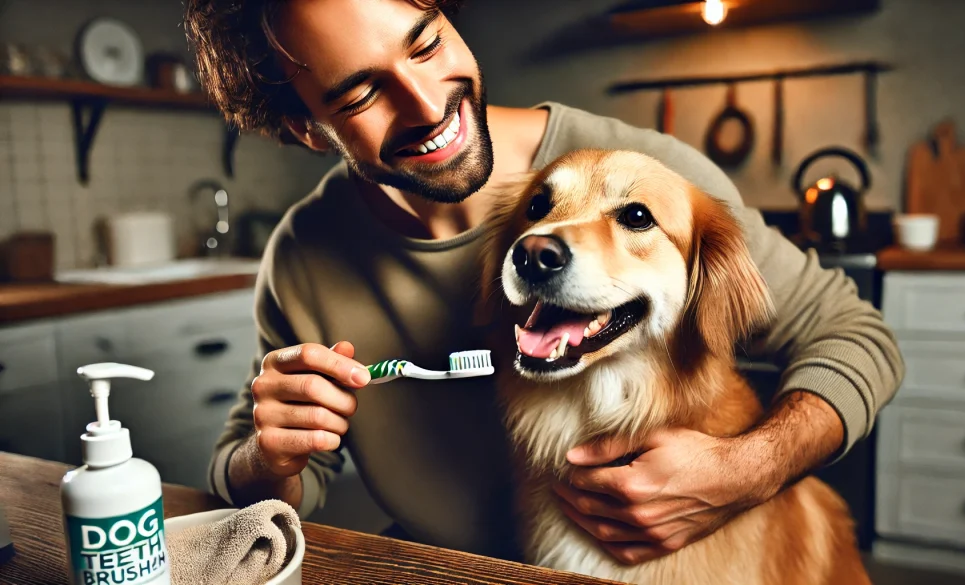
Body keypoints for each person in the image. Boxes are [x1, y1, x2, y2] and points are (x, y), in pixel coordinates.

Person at [185, 0, 904, 566]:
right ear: (309, 129)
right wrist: (271, 453)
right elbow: (265, 479)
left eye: (425, 42)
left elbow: (856, 330)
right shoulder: (302, 255)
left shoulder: (653, 172)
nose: (426, 103)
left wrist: (747, 470)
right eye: (361, 92)